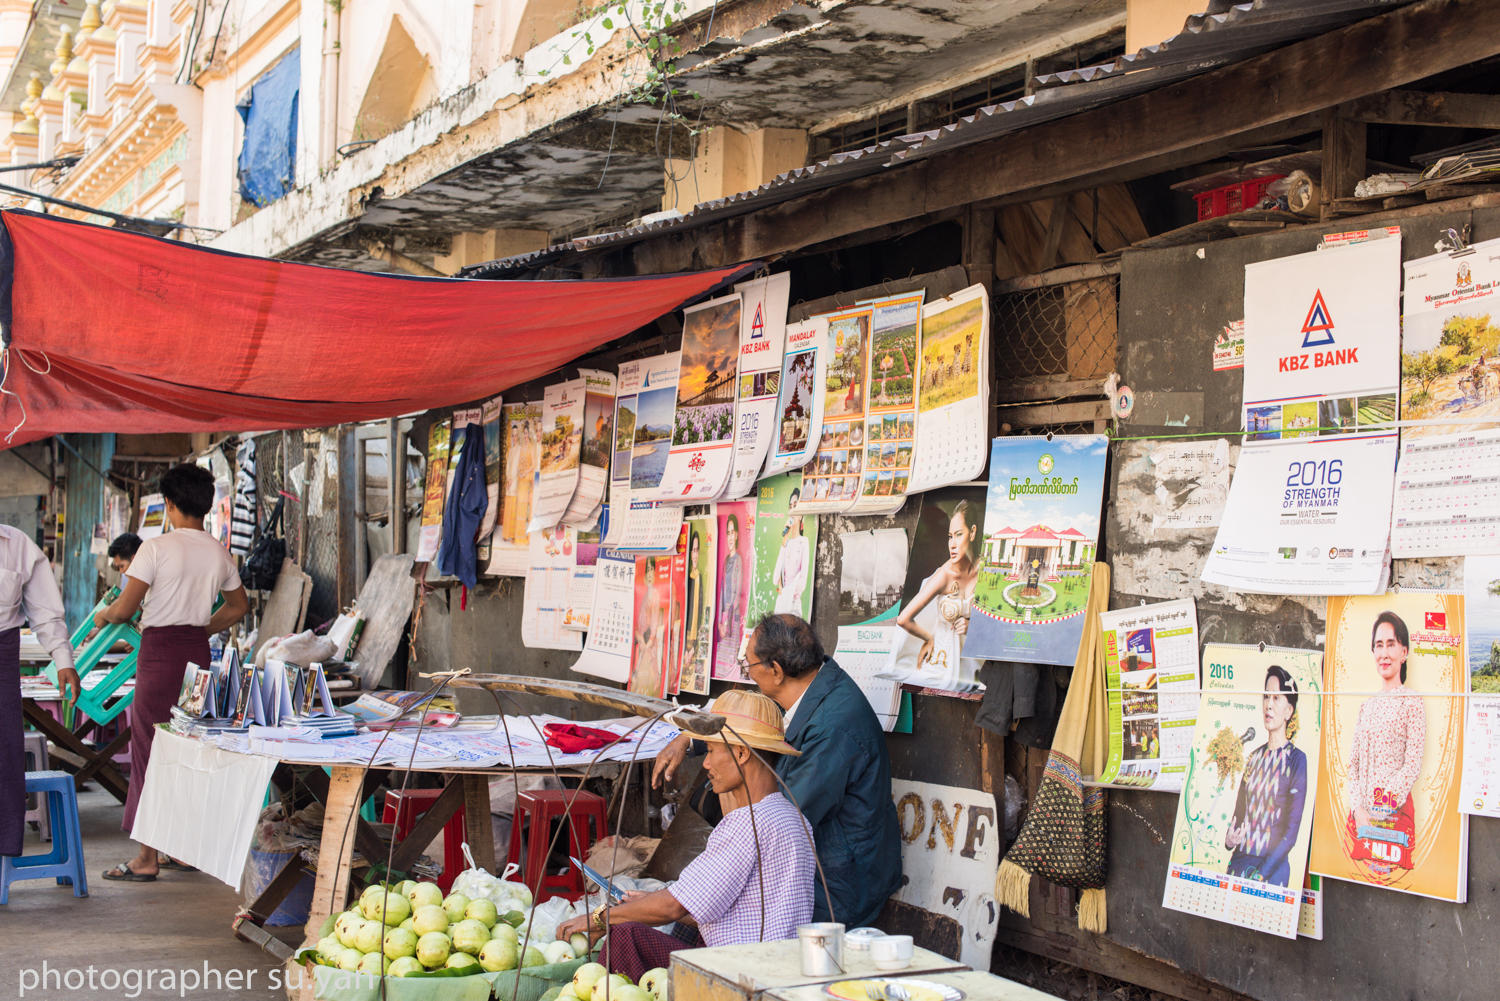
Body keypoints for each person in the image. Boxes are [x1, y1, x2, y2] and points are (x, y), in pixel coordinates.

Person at [654, 613, 903, 928]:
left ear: (776, 670)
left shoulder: (833, 727)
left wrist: (691, 898)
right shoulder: (810, 686)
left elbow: (779, 820)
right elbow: (753, 722)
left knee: (709, 917)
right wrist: (692, 736)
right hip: (810, 858)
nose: (749, 677)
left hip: (836, 883)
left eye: (750, 667)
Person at [561, 689, 813, 981]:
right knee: (654, 923)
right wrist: (646, 902)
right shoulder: (794, 818)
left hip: (740, 976)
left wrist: (596, 918)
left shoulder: (746, 825)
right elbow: (729, 909)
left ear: (742, 753)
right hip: (774, 970)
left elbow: (672, 906)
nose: (705, 764)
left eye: (712, 751)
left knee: (624, 937)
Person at [94, 464, 248, 881]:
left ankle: (147, 857)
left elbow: (125, 609)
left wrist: (104, 614)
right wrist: (201, 627)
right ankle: (182, 849)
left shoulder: (155, 547)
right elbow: (238, 607)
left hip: (160, 653)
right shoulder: (217, 550)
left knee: (150, 747)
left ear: (170, 503)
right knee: (187, 747)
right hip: (196, 654)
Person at [0, 525, 80, 858]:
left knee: (4, 757)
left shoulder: (17, 545)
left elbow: (44, 612)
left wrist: (63, 659)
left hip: (2, 658)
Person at [1344, 611, 1425, 870]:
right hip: (1361, 820)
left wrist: (1380, 810)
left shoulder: (1412, 702)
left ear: (1404, 651)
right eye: (1379, 645)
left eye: (1391, 644)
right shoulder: (1366, 706)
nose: (1384, 653)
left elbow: (1412, 765)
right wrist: (1358, 811)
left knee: (1387, 877)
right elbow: (1353, 765)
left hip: (1393, 818)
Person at [1225, 665, 1307, 887]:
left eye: (1276, 698)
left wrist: (1260, 876)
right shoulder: (1252, 757)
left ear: (1289, 711)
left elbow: (1291, 833)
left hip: (1272, 873)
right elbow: (1239, 813)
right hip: (1239, 863)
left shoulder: (1296, 760)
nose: (1269, 705)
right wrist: (1229, 839)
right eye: (1266, 697)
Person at [891, 499, 981, 690]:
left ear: (972, 533)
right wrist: (928, 638)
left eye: (959, 534)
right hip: (940, 665)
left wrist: (974, 625)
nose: (953, 544)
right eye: (950, 536)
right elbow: (903, 619)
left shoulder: (986, 570)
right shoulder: (944, 575)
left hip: (975, 667)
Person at [629, 557, 666, 698]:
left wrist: (646, 645)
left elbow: (654, 631)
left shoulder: (656, 595)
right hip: (642, 642)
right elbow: (637, 629)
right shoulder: (644, 596)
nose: (649, 574)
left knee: (645, 667)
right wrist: (641, 641)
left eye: (652, 569)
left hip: (651, 644)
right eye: (648, 570)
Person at [772, 488, 808, 616]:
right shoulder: (785, 543)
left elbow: (802, 584)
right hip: (781, 605)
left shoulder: (804, 542)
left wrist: (785, 591)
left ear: (801, 514)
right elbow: (775, 579)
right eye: (790, 506)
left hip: (794, 607)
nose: (792, 510)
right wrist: (783, 543)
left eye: (795, 506)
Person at [717, 513, 744, 649]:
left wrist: (727, 619)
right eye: (728, 533)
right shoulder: (726, 560)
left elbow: (738, 593)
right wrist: (721, 620)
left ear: (737, 535)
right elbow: (721, 590)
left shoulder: (738, 560)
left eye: (732, 532)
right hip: (723, 616)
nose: (730, 537)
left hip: (733, 616)